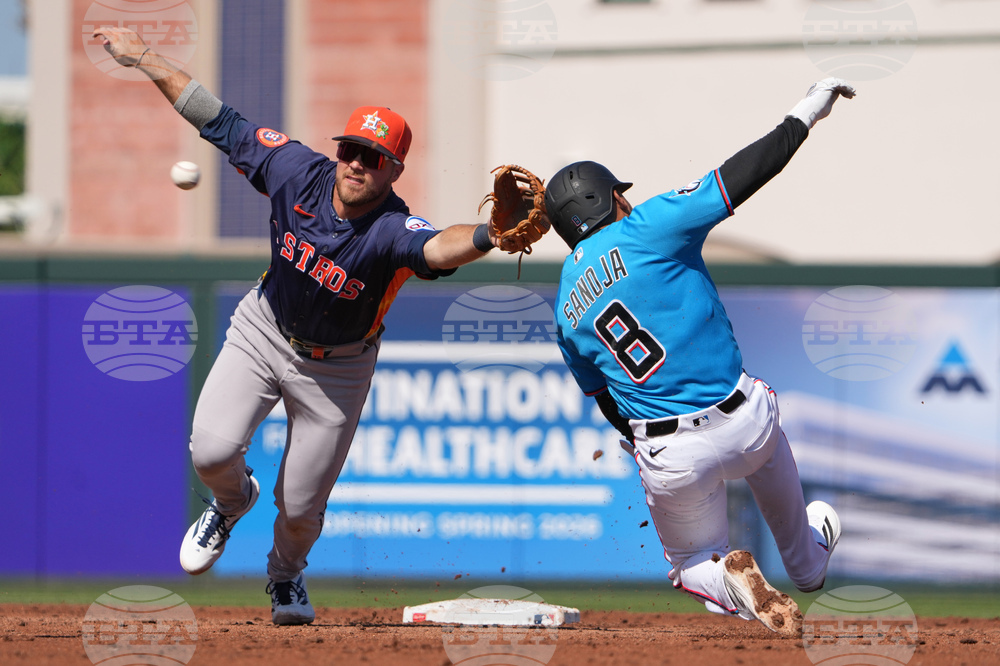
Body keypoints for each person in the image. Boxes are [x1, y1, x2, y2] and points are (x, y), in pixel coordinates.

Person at [95, 27, 514, 626]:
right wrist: (147, 59)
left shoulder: (392, 228)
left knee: (299, 508)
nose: (356, 164)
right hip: (263, 329)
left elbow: (439, 249)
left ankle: (285, 575)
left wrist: (487, 235)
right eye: (350, 149)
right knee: (211, 450)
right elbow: (220, 120)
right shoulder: (296, 170)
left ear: (395, 169)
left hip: (338, 368)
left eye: (373, 158)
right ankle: (231, 500)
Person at [545, 79, 855, 637]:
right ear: (604, 200)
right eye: (619, 193)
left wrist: (640, 436)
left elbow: (607, 403)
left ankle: (731, 579)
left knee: (694, 566)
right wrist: (804, 114)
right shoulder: (648, 226)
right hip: (747, 422)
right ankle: (808, 560)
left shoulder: (566, 306)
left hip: (671, 449)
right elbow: (745, 173)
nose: (627, 198)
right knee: (807, 569)